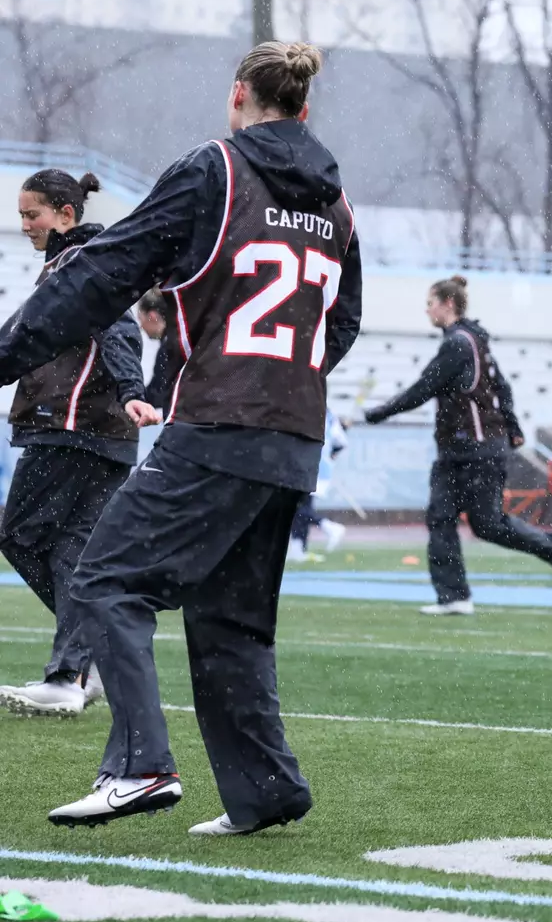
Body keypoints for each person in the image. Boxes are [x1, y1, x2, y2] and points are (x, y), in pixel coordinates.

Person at [0, 41, 364, 831]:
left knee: (105, 582)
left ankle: (140, 768)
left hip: (222, 423)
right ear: (304, 108)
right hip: (292, 434)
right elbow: (345, 322)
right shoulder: (336, 204)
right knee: (231, 621)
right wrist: (281, 382)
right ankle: (266, 790)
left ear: (238, 95)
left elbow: (105, 274)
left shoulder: (213, 170)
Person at [0, 170, 161, 718]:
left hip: (72, 427)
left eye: (32, 215)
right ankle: (73, 671)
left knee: (18, 534)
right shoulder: (81, 260)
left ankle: (77, 662)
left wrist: (133, 389)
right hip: (102, 433)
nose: (24, 225)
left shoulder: (80, 262)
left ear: (66, 213)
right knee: (75, 555)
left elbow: (115, 329)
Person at [365, 275, 552, 612]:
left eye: (430, 303)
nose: (427, 310)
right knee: (440, 517)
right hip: (457, 451)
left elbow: (424, 387)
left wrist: (377, 413)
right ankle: (454, 597)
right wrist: (513, 425)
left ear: (447, 304)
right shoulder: (475, 341)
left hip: (478, 451)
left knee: (488, 525)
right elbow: (502, 387)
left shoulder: (459, 344)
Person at [286, 408, 349, 561]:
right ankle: (299, 548)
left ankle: (329, 527)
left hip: (306, 466)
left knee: (297, 508)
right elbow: (340, 442)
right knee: (302, 507)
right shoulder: (329, 414)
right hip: (320, 467)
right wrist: (331, 455)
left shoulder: (305, 410)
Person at [135, 290, 181, 415]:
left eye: (141, 319)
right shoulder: (177, 339)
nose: (141, 326)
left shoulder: (169, 347)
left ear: (152, 316)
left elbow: (159, 392)